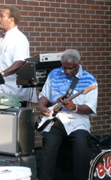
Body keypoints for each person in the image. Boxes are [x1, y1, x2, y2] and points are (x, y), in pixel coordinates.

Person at [38, 49, 98, 180]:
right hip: (56, 119)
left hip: (77, 120)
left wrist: (74, 107)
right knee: (48, 148)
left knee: (81, 145)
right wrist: (42, 107)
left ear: (78, 64)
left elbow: (90, 108)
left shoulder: (90, 81)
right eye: (64, 68)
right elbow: (44, 95)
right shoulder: (54, 74)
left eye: (70, 68)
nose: (67, 71)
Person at [0, 6, 37, 105]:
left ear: (11, 19)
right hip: (2, 89)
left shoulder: (19, 38)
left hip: (14, 93)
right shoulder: (3, 38)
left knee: (11, 120)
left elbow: (20, 62)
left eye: (2, 16)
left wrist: (1, 75)